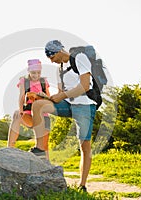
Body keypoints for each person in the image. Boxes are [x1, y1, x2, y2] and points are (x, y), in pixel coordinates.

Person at [31, 40, 97, 192]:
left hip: (85, 105)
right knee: (38, 105)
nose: (51, 61)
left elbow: (85, 85)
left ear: (57, 52)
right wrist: (46, 97)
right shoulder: (58, 70)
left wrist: (63, 96)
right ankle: (40, 148)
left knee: (84, 146)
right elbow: (61, 94)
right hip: (68, 105)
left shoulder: (79, 58)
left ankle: (82, 185)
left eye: (51, 57)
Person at [7, 59, 51, 160]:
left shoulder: (44, 82)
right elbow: (22, 96)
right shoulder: (24, 81)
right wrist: (20, 109)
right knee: (17, 115)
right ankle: (9, 148)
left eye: (38, 73)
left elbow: (50, 99)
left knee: (44, 145)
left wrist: (44, 96)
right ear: (29, 71)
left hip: (42, 116)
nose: (36, 75)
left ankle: (47, 164)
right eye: (33, 73)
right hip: (29, 114)